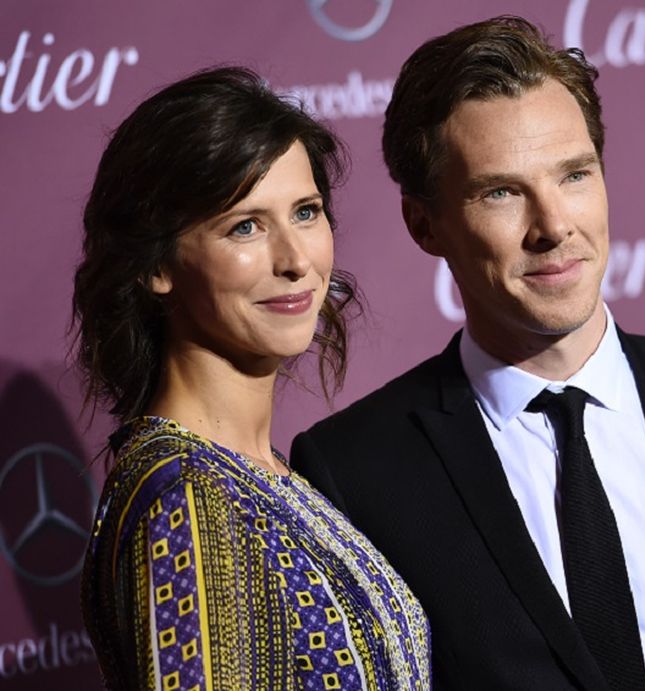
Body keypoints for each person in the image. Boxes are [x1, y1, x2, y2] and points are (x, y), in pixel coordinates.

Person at [291, 16, 645, 691]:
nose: (553, 226)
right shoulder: (353, 471)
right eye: (501, 191)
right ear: (424, 224)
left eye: (573, 175)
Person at [73, 66, 430, 690]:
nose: (295, 260)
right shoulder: (184, 498)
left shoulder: (264, 474)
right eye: (246, 226)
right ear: (158, 265)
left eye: (306, 212)